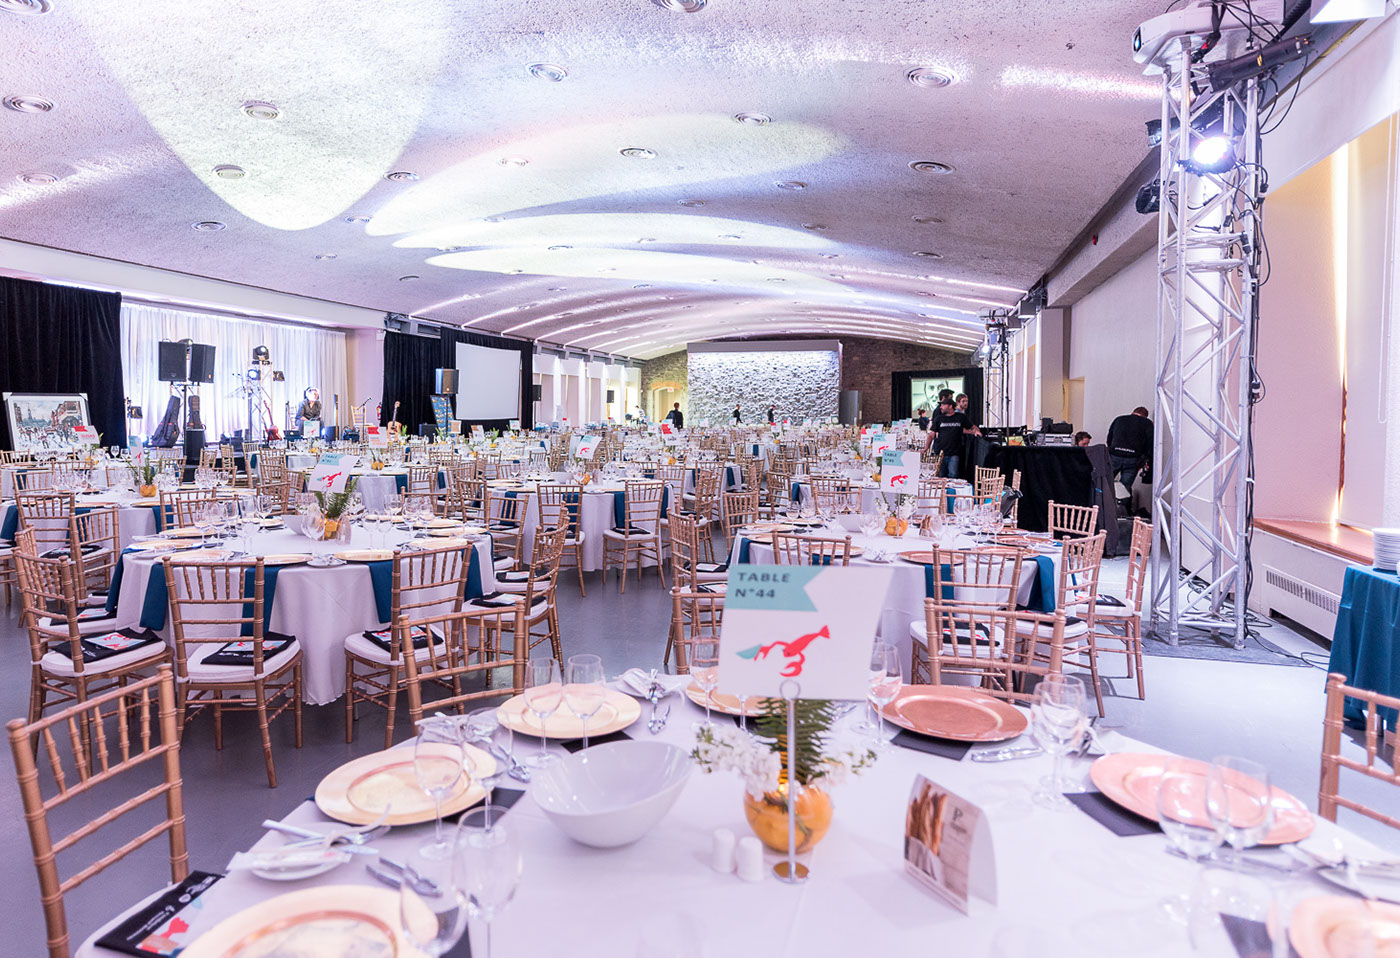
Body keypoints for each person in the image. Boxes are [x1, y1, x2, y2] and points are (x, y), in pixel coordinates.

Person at [924, 396, 980, 478]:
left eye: (943, 405)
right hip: (941, 453)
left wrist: (976, 431)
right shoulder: (939, 419)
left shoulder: (961, 417)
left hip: (955, 453)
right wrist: (926, 447)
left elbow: (972, 427)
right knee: (940, 476)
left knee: (953, 475)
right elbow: (931, 434)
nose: (941, 407)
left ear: (950, 406)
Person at [1106, 406, 1153, 498]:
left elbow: (1109, 437)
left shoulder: (1119, 419)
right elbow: (1150, 443)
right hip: (1133, 459)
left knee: (1105, 482)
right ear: (1145, 416)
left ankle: (1102, 503)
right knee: (1125, 487)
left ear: (1133, 412)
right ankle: (1120, 505)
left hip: (1115, 455)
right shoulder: (1146, 423)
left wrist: (1112, 449)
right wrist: (1144, 460)